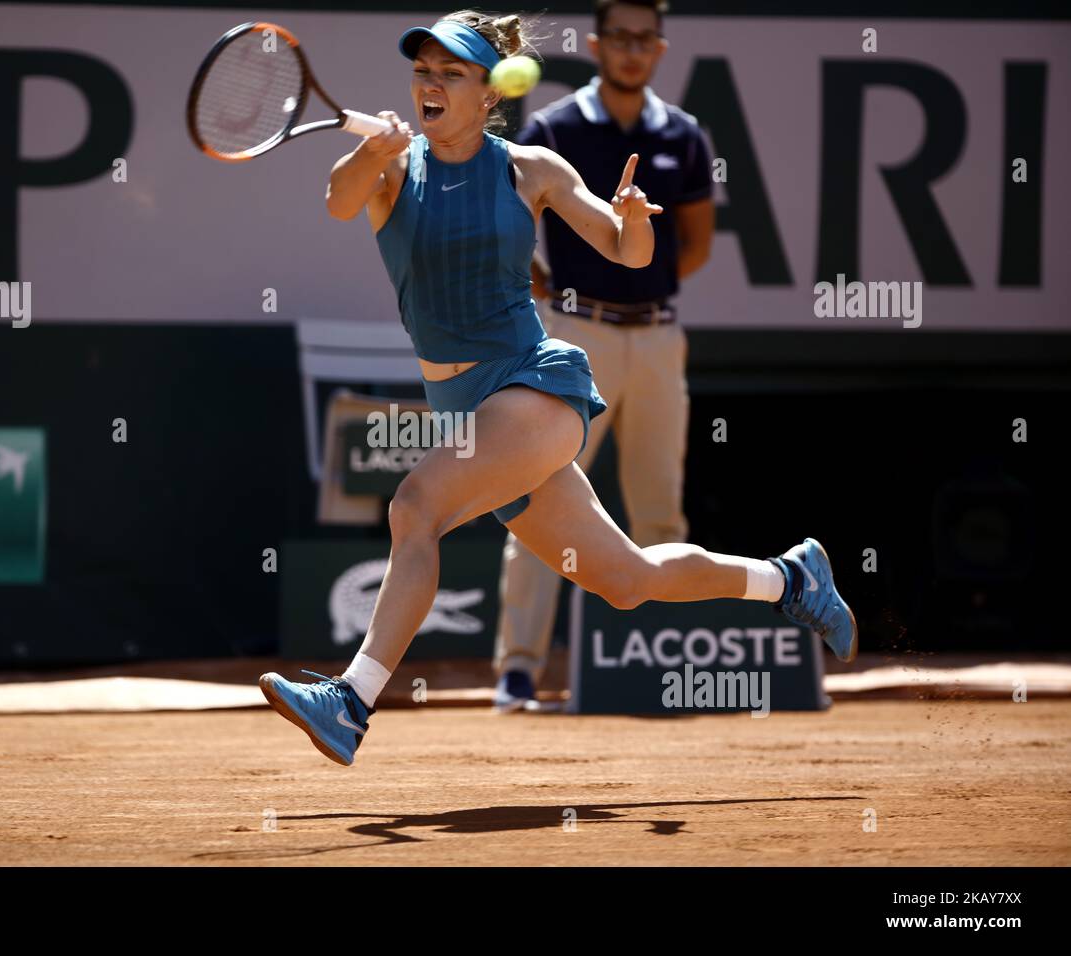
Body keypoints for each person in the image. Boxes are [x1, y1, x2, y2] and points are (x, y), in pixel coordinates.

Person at [259, 10, 856, 766]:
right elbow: (339, 201)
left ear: (488, 94)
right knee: (627, 580)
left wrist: (636, 221)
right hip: (472, 413)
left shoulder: (529, 168)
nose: (430, 84)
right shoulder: (389, 168)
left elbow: (625, 250)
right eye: (422, 72)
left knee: (415, 508)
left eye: (452, 73)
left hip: (535, 390)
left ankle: (351, 699)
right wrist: (373, 151)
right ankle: (789, 578)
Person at [494, 0, 715, 711]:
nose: (631, 50)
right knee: (542, 501)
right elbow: (510, 230)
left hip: (657, 338)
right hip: (572, 335)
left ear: (659, 48)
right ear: (595, 44)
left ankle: (660, 671)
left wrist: (641, 284)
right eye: (618, 37)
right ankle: (519, 672)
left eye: (644, 39)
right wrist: (556, 297)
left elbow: (695, 243)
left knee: (659, 509)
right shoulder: (553, 129)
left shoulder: (684, 135)